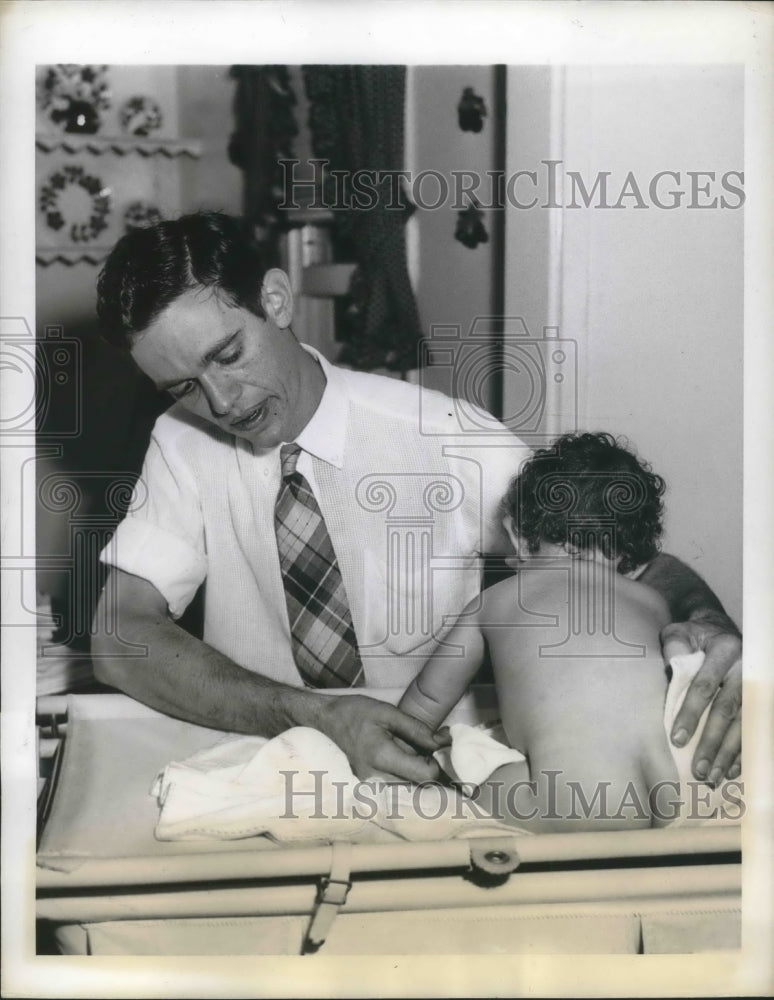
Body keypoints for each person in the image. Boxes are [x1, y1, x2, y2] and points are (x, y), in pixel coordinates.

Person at [91, 212, 742, 784]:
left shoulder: (447, 436)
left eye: (229, 354)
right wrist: (310, 715)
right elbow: (121, 637)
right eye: (184, 387)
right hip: (264, 757)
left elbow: (625, 561)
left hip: (431, 765)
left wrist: (708, 622)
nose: (222, 402)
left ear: (276, 299)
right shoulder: (181, 442)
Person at [399, 432, 718, 829]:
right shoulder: (651, 600)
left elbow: (427, 698)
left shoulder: (492, 602)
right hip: (678, 789)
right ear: (626, 553)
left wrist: (401, 747)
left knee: (465, 771)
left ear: (517, 534)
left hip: (573, 803)